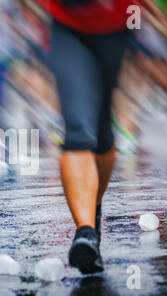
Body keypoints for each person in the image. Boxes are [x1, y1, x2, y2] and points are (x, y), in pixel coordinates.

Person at [38, 0, 134, 274]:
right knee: (78, 130)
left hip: (115, 24)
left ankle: (93, 208)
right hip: (67, 23)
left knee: (102, 135)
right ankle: (85, 231)